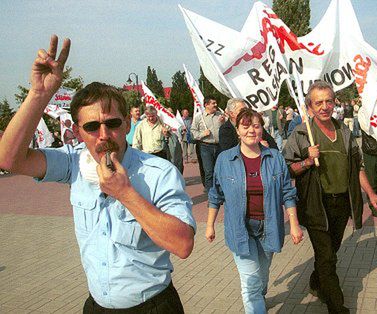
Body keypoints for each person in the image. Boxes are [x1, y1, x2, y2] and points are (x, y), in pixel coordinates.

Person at [0, 36, 196, 313]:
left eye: (113, 123)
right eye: (92, 126)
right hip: (97, 305)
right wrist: (39, 94)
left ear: (127, 123)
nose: (104, 135)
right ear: (78, 132)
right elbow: (9, 159)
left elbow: (183, 243)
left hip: (152, 305)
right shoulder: (73, 163)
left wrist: (126, 193)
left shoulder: (159, 172)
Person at [283, 81, 377, 314]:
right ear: (309, 107)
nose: (324, 106)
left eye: (328, 101)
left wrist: (371, 193)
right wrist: (307, 161)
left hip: (341, 203)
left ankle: (316, 282)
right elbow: (287, 168)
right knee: (328, 258)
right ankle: (337, 307)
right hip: (316, 205)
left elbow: (357, 166)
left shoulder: (344, 131)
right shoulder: (300, 133)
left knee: (331, 251)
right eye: (318, 102)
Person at [206, 108, 303, 313]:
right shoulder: (225, 160)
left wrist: (294, 224)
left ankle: (260, 296)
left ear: (262, 129)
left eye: (256, 126)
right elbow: (215, 194)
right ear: (238, 131)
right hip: (240, 230)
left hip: (269, 227)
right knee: (250, 284)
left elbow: (287, 192)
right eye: (246, 126)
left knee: (262, 278)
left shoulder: (275, 157)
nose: (251, 130)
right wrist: (209, 226)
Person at [190, 95, 225, 192]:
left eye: (215, 103)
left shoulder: (220, 115)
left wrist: (224, 122)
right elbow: (193, 132)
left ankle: (220, 190)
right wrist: (202, 134)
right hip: (205, 146)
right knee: (209, 171)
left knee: (220, 169)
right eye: (213, 103)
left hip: (219, 146)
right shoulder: (199, 118)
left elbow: (227, 128)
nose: (216, 105)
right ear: (206, 105)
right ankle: (210, 193)